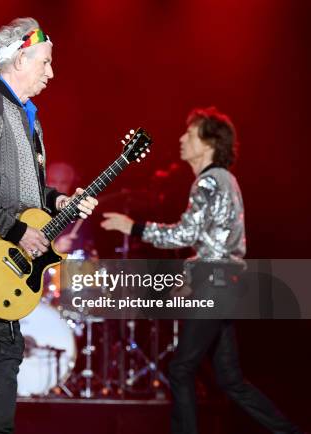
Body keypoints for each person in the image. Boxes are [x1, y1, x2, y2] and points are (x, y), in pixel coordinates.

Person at [100, 107, 301, 433]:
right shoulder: (225, 180)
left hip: (217, 285)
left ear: (207, 143)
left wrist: (132, 227)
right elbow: (218, 245)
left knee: (180, 369)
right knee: (230, 380)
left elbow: (185, 235)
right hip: (225, 282)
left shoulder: (209, 181)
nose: (181, 139)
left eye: (189, 134)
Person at [0, 17, 98, 434]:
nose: (51, 73)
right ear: (18, 59)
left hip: (4, 246)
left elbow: (28, 194)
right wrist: (14, 231)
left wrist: (58, 200)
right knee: (6, 350)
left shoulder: (28, 117)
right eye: (45, 63)